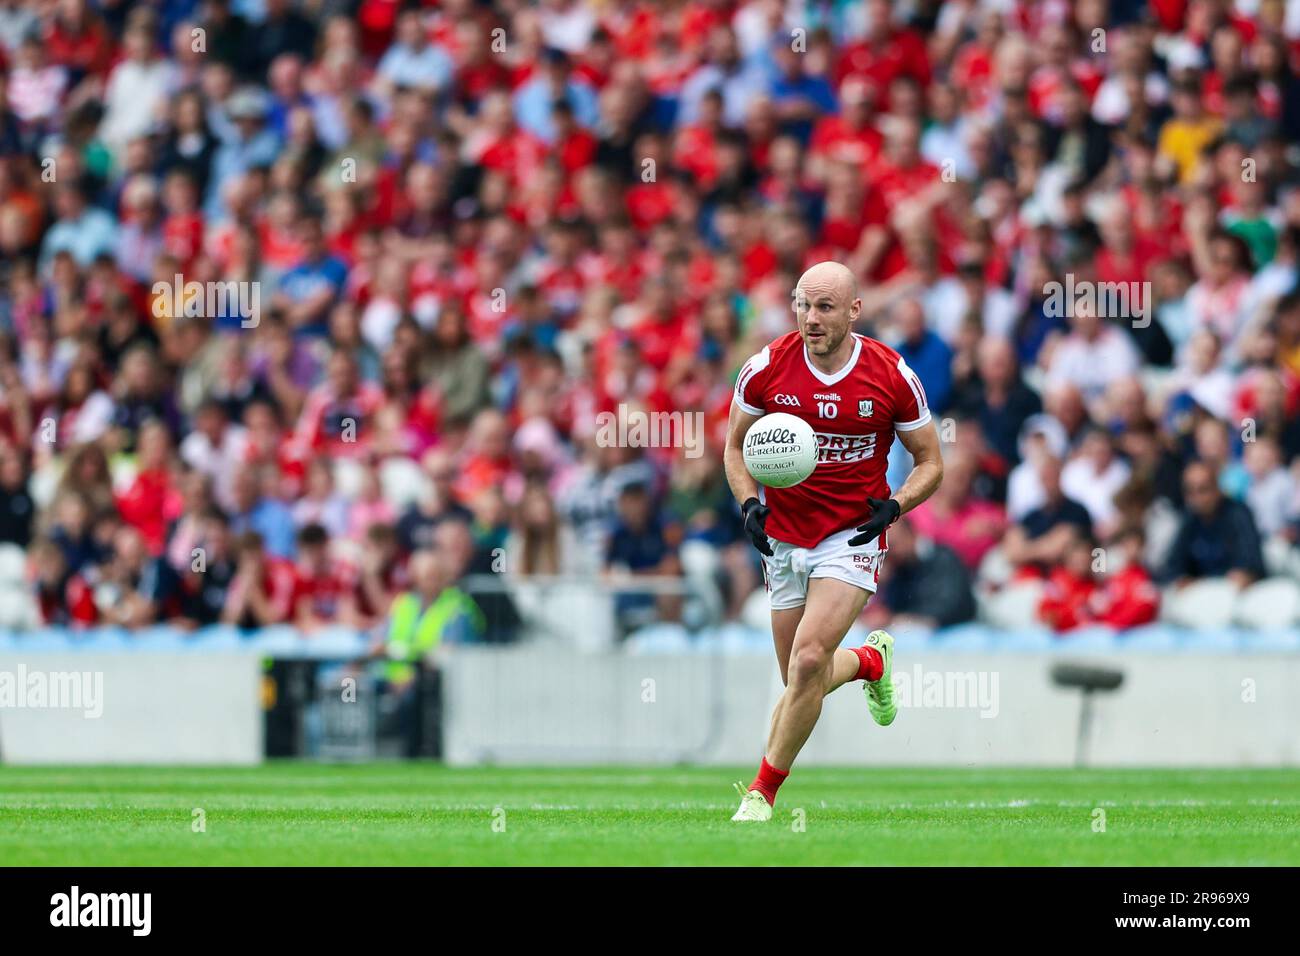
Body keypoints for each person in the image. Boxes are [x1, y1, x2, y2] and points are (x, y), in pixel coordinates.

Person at [724, 260, 943, 822]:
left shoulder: (891, 374)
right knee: (802, 679)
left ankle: (761, 794)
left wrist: (896, 505)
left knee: (809, 660)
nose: (811, 318)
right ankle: (871, 660)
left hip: (851, 535)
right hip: (783, 538)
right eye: (802, 305)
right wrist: (749, 502)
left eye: (824, 307)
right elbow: (733, 449)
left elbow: (930, 461)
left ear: (854, 310)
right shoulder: (765, 368)